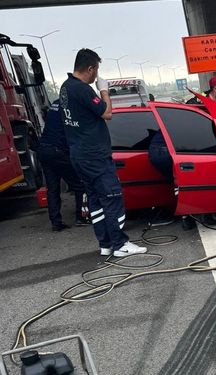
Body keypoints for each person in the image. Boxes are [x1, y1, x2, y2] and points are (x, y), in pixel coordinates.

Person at [59, 48, 146, 257]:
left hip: (79, 154)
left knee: (96, 200)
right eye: (96, 70)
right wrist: (104, 91)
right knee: (112, 197)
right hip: (94, 155)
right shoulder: (81, 89)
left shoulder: (65, 87)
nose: (96, 75)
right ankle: (120, 244)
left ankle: (106, 244)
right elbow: (107, 113)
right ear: (90, 68)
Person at [37, 99, 90, 231]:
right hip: (58, 151)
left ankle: (56, 223)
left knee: (53, 189)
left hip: (44, 149)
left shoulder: (56, 102)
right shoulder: (73, 105)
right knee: (80, 185)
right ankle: (81, 217)